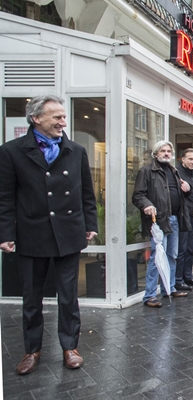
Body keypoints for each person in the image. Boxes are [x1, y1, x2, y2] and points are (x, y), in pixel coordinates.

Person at [0, 95, 98, 374]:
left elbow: (86, 193)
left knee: (68, 296)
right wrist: (5, 233)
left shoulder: (76, 150)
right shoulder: (11, 151)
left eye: (63, 117)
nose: (63, 122)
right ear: (36, 118)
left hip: (69, 232)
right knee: (31, 298)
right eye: (56, 117)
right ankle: (32, 350)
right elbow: (5, 198)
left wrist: (90, 224)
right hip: (32, 234)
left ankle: (70, 347)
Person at [132, 141, 191, 307]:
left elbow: (178, 196)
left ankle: (169, 288)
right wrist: (146, 205)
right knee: (156, 257)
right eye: (163, 151)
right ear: (156, 153)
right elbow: (138, 195)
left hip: (174, 219)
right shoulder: (146, 171)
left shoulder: (174, 171)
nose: (166, 153)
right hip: (158, 220)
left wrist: (187, 190)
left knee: (172, 256)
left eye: (168, 151)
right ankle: (150, 295)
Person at [175, 148, 193, 290]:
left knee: (190, 247)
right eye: (190, 159)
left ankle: (188, 276)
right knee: (182, 248)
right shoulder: (177, 173)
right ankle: (178, 280)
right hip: (182, 215)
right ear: (183, 159)